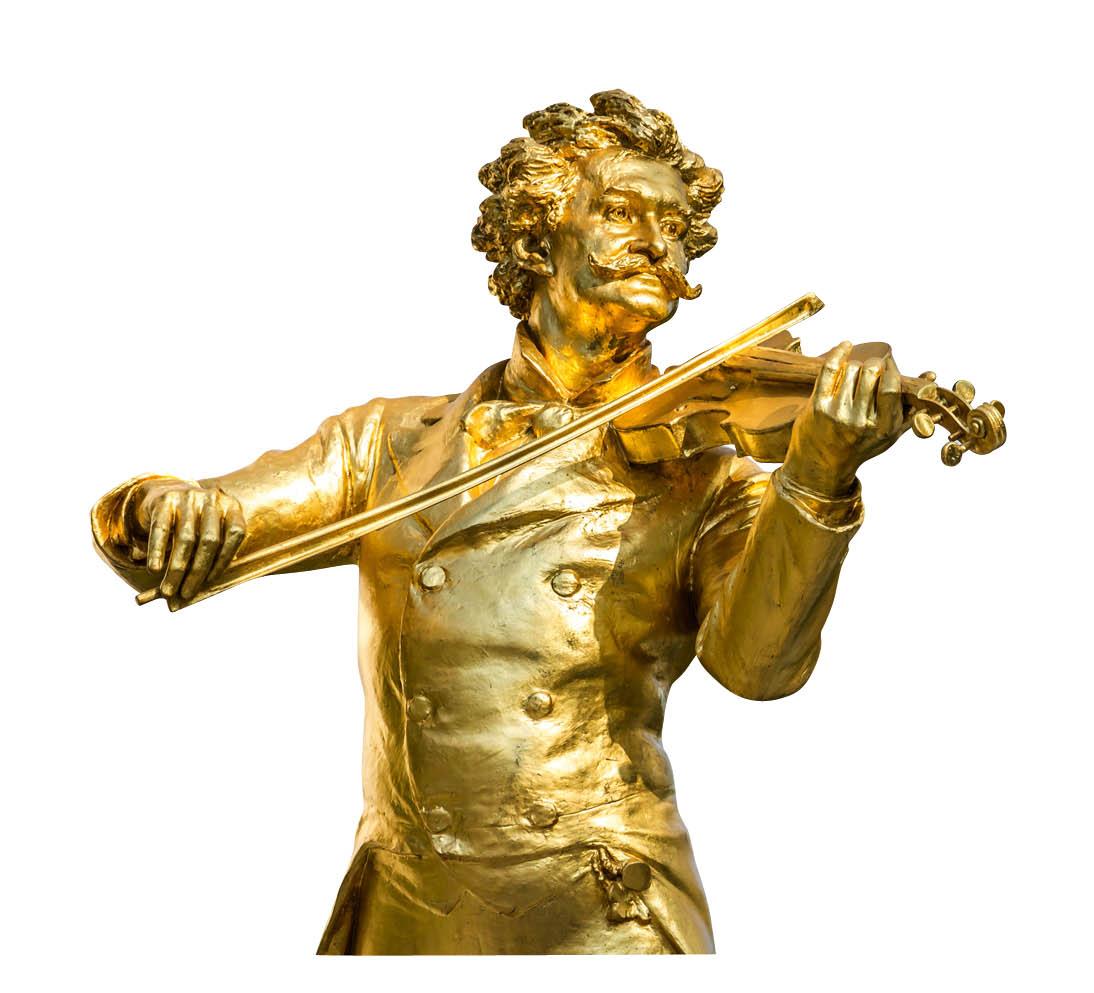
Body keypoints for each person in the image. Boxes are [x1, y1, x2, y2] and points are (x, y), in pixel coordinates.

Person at [90, 90, 905, 954]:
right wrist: (160, 508)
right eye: (621, 212)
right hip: (411, 902)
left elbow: (758, 667)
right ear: (537, 236)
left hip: (603, 903)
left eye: (674, 226)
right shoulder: (388, 445)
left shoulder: (705, 474)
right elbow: (204, 527)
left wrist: (818, 474)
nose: (656, 243)